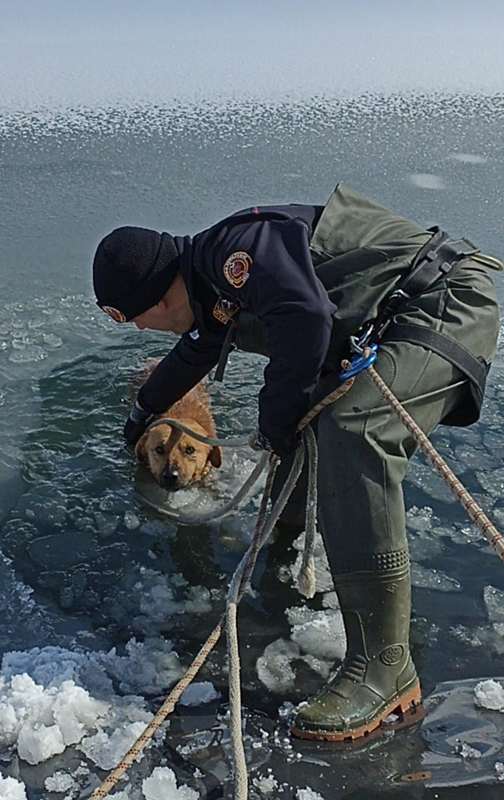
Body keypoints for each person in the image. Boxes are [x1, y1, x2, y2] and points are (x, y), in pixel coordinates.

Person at [91, 185, 501, 741]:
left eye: (133, 318)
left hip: (443, 302)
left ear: (156, 299)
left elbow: (307, 315)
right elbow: (193, 351)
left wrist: (273, 418)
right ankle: (284, 547)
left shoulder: (231, 253)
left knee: (353, 428)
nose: (140, 330)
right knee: (306, 418)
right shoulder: (212, 286)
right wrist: (141, 413)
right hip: (399, 314)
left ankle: (383, 668)